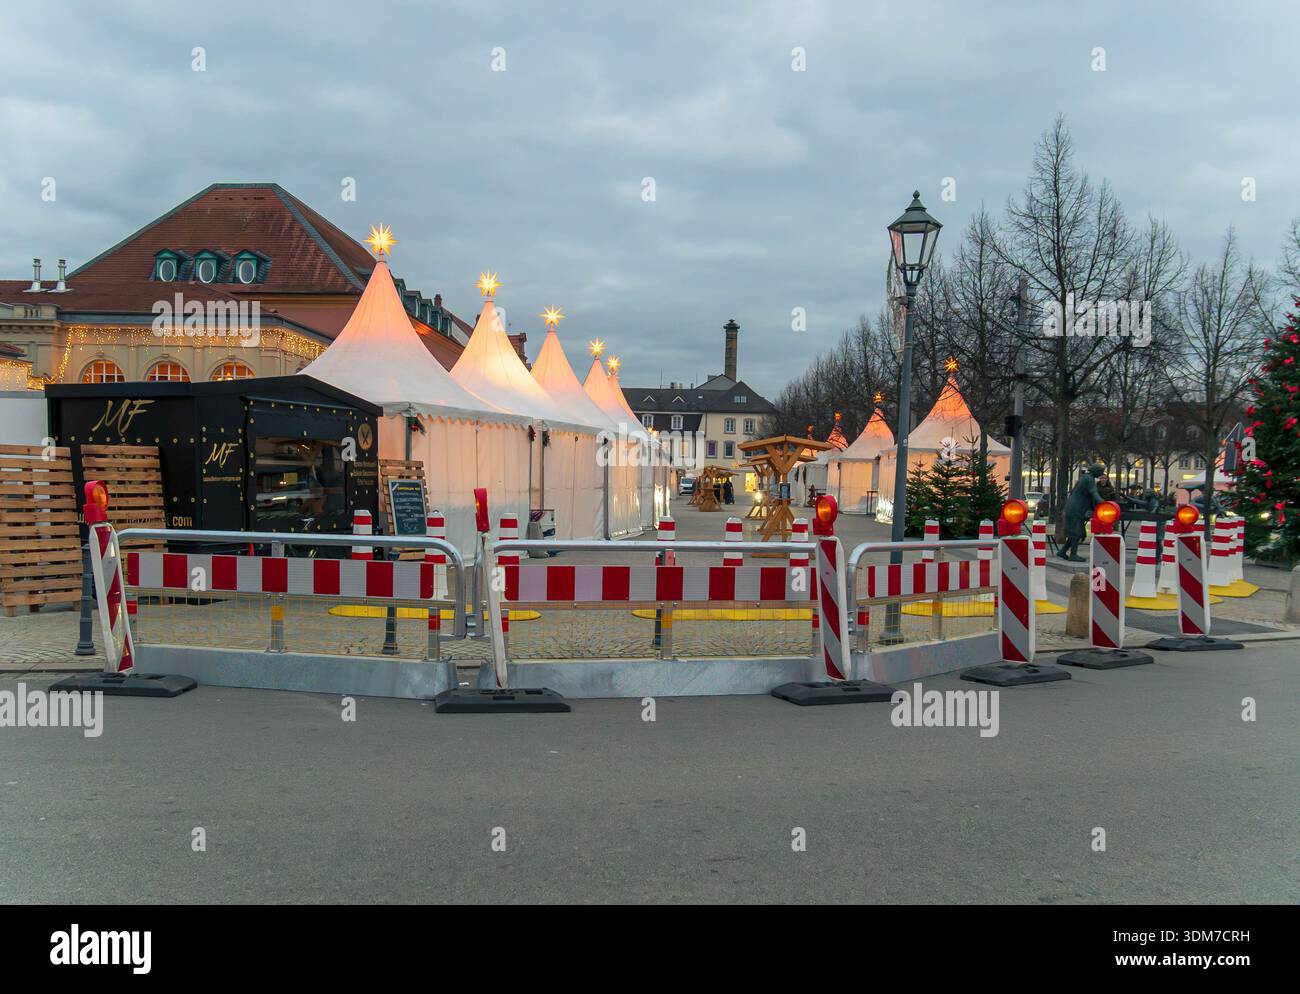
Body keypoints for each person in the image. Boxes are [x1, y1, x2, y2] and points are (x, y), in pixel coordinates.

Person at [1058, 464, 1104, 561]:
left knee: (1075, 532)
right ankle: (1073, 555)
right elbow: (1094, 493)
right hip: (1076, 508)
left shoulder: (1086, 477)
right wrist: (1104, 503)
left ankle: (1062, 551)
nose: (1102, 474)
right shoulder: (1089, 479)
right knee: (1076, 532)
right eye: (1101, 471)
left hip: (1074, 507)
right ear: (1096, 470)